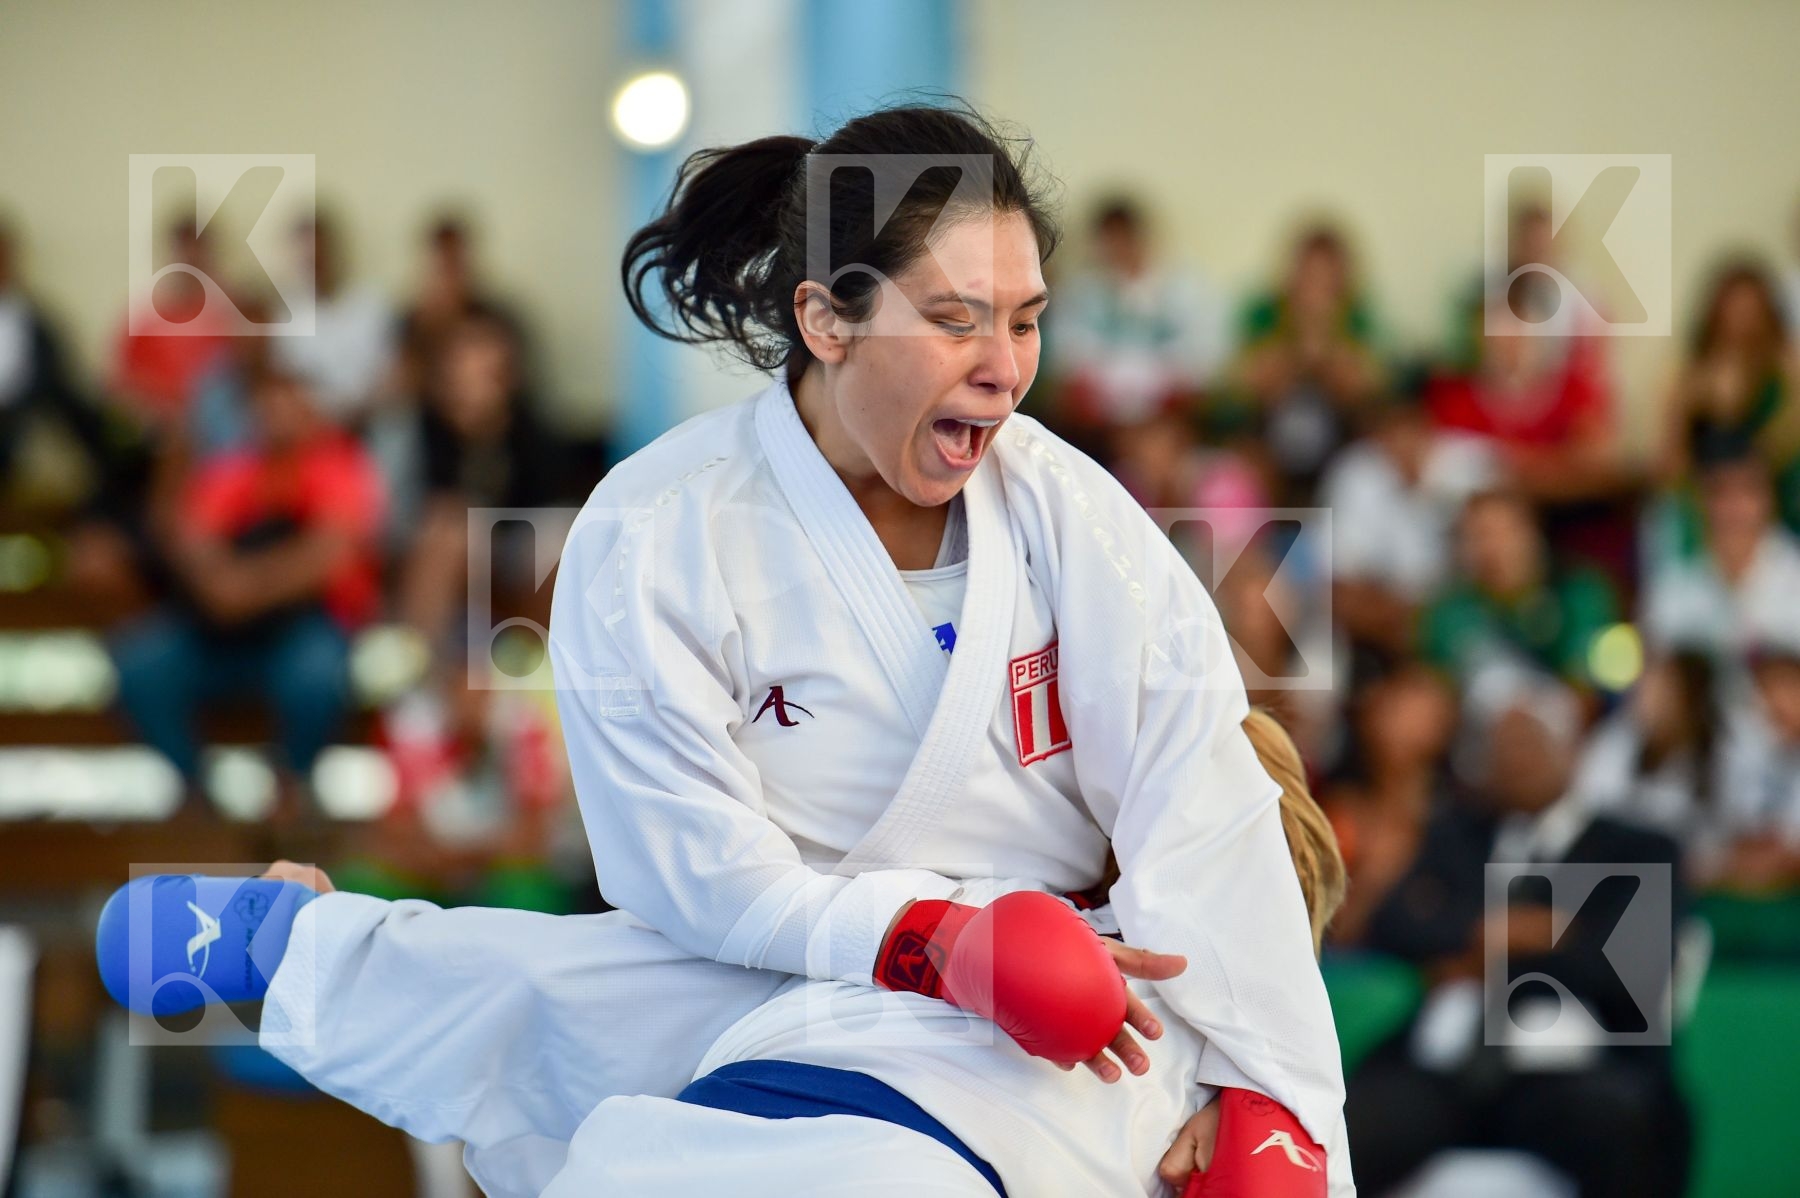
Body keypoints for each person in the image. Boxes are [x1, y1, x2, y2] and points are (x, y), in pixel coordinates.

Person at [103, 103, 1353, 1195]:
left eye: (1026, 321)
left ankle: (311, 949)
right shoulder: (663, 528)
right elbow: (693, 877)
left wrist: (1281, 1114)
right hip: (763, 953)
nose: (1005, 370)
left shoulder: (1077, 522)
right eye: (957, 319)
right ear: (825, 318)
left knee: (577, 1031)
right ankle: (292, 946)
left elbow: (1208, 817)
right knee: (593, 993)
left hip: (1061, 990)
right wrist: (930, 941)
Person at [104, 707, 1346, 1197]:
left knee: (600, 992)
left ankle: (306, 943)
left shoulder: (1257, 1073)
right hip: (747, 1114)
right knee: (657, 973)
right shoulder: (958, 892)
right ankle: (303, 941)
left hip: (804, 1157)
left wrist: (1264, 1138)